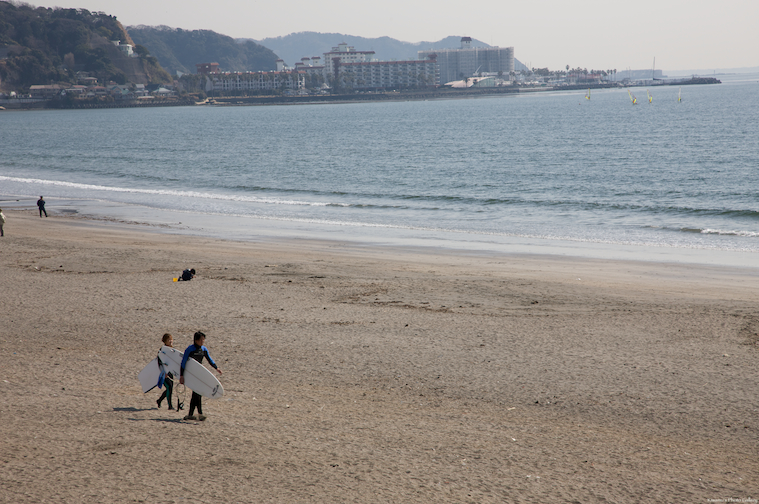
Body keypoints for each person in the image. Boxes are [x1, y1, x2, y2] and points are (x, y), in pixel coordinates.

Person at [180, 331, 222, 421]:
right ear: (196, 340)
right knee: (197, 393)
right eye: (201, 339)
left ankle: (192, 414)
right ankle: (199, 414)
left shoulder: (203, 349)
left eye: (203, 339)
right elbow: (183, 362)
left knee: (197, 393)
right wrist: (181, 375)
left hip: (199, 375)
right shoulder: (190, 349)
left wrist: (216, 368)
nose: (203, 341)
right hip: (192, 375)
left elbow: (209, 359)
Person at [156, 333, 180, 410]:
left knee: (170, 388)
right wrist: (163, 372)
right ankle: (170, 406)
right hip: (164, 372)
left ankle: (159, 400)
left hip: (170, 372)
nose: (170, 341)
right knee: (169, 387)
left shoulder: (172, 350)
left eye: (171, 339)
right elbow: (159, 362)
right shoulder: (162, 350)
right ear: (165, 341)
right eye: (168, 340)